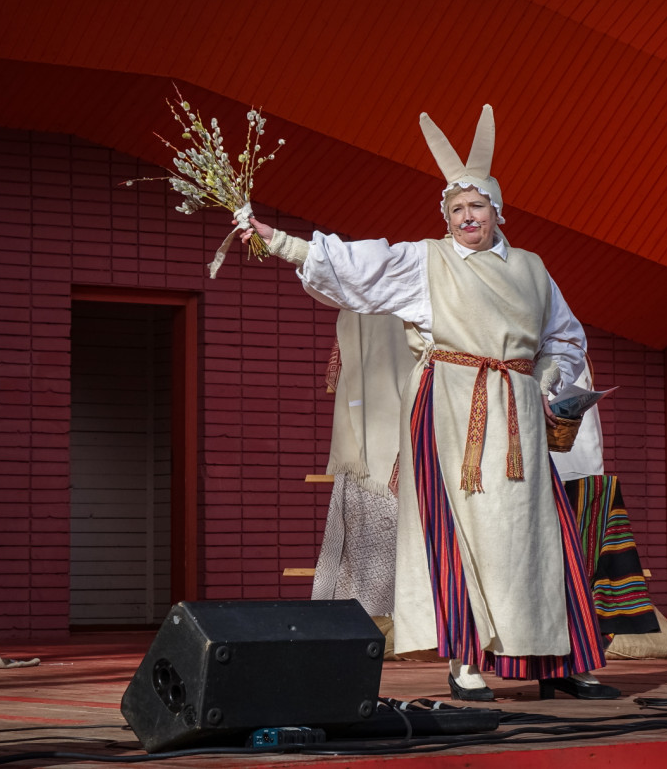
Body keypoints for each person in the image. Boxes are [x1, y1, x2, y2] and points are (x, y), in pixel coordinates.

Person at [238, 105, 617, 701]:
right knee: (456, 531)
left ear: (497, 210)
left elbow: (565, 338)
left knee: (535, 534)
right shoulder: (426, 261)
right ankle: (466, 664)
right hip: (450, 409)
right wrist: (282, 243)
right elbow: (361, 267)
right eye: (456, 209)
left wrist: (545, 379)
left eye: (477, 207)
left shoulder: (533, 270)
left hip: (518, 414)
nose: (467, 217)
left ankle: (557, 662)